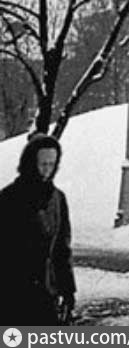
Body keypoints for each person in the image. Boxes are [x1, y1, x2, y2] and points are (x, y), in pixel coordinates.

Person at [0, 134, 77, 325]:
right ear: (30, 162)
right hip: (14, 294)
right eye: (43, 164)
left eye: (52, 164)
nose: (47, 170)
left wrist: (68, 290)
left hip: (48, 293)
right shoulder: (9, 198)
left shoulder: (57, 199)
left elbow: (62, 248)